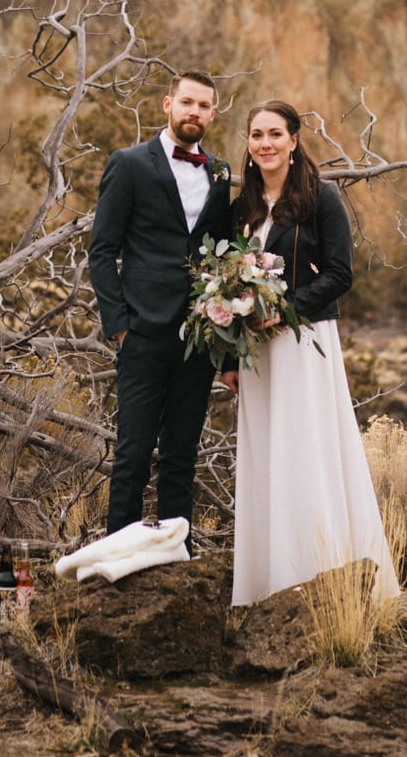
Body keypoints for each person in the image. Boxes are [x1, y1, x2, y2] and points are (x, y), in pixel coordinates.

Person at [225, 100, 399, 606]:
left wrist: (286, 310)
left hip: (305, 345)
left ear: (294, 140)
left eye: (275, 134)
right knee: (268, 458)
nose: (265, 143)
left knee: (306, 452)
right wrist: (230, 359)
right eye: (256, 134)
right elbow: (227, 284)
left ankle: (324, 578)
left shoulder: (321, 198)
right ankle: (266, 586)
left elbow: (341, 275)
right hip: (258, 355)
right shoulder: (243, 208)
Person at [88, 69, 234, 537]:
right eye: (186, 102)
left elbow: (224, 253)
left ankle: (177, 552)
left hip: (199, 334)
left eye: (204, 105)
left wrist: (224, 337)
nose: (194, 112)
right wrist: (120, 324)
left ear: (213, 113)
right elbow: (102, 250)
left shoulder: (221, 172)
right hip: (143, 332)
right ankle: (119, 556)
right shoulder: (129, 163)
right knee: (132, 452)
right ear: (167, 105)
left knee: (181, 454)